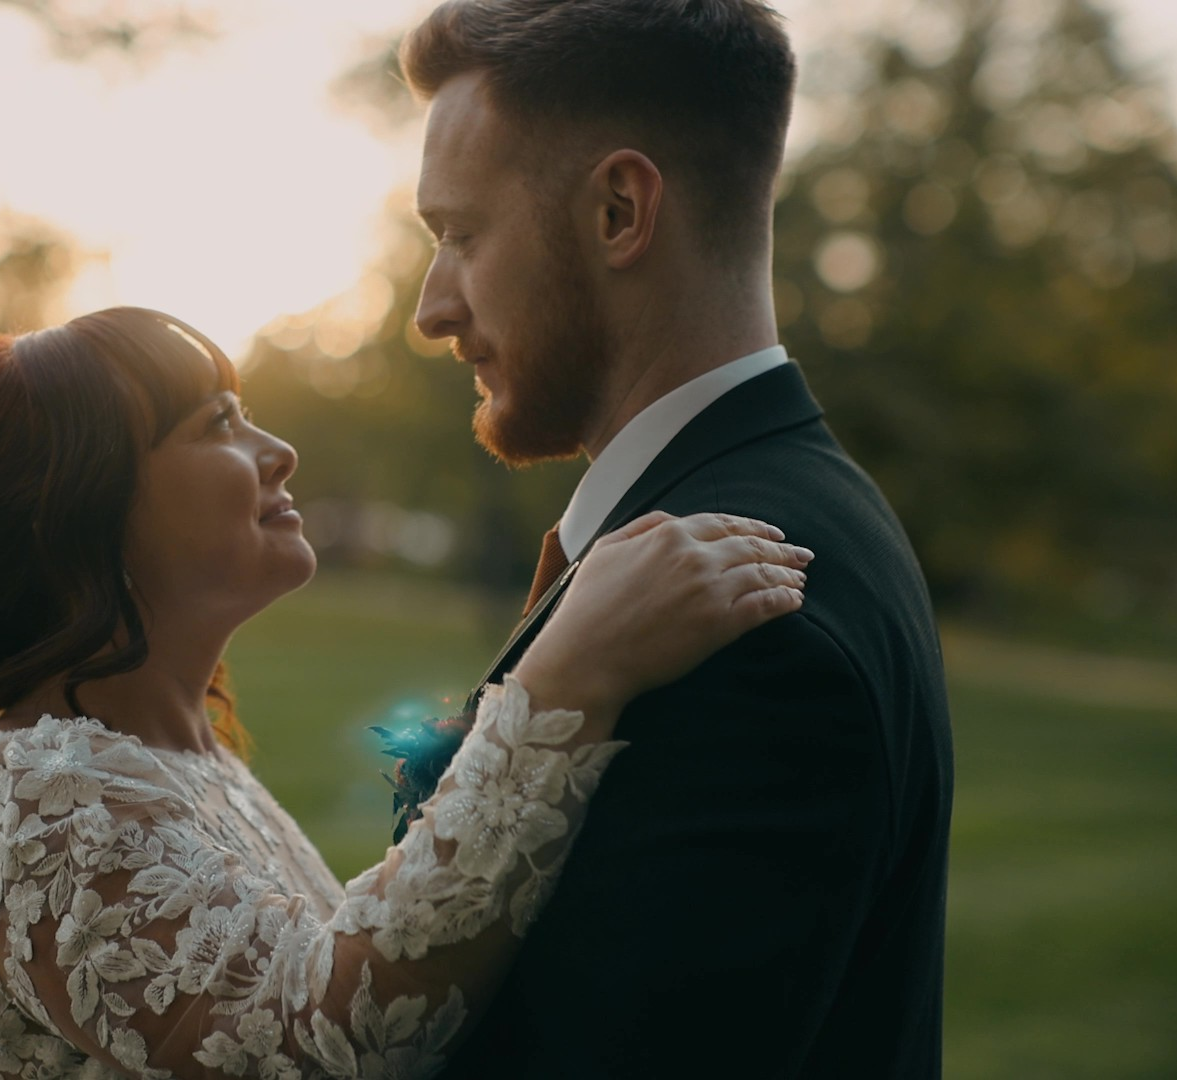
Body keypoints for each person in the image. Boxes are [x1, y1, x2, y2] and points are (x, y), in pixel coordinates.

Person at [0, 305, 813, 1080]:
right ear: (85, 515)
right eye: (217, 426)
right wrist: (571, 678)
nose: (277, 451)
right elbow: (330, 1043)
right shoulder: (27, 800)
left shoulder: (176, 762)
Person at [393, 2, 955, 1077]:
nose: (431, 307)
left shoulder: (750, 620)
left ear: (617, 210)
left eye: (462, 235)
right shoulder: (777, 509)